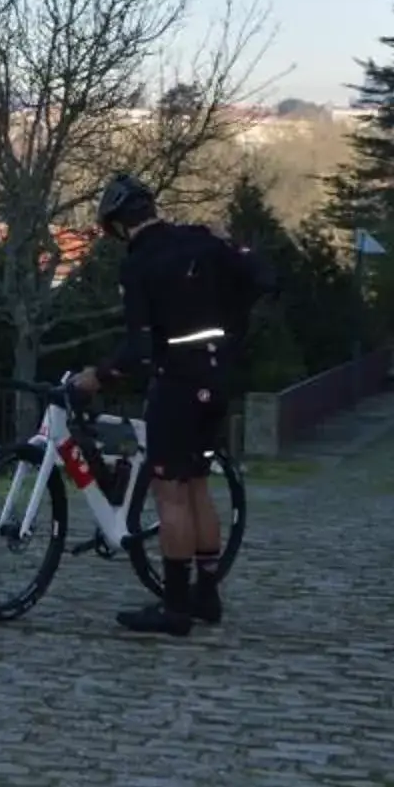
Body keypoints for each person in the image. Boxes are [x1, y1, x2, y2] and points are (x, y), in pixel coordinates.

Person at [70, 172, 274, 637]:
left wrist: (97, 376)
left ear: (118, 225)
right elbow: (263, 277)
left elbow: (139, 348)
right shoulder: (202, 241)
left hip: (177, 384)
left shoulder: (140, 264)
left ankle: (175, 606)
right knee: (198, 486)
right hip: (218, 378)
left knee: (170, 494)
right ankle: (207, 594)